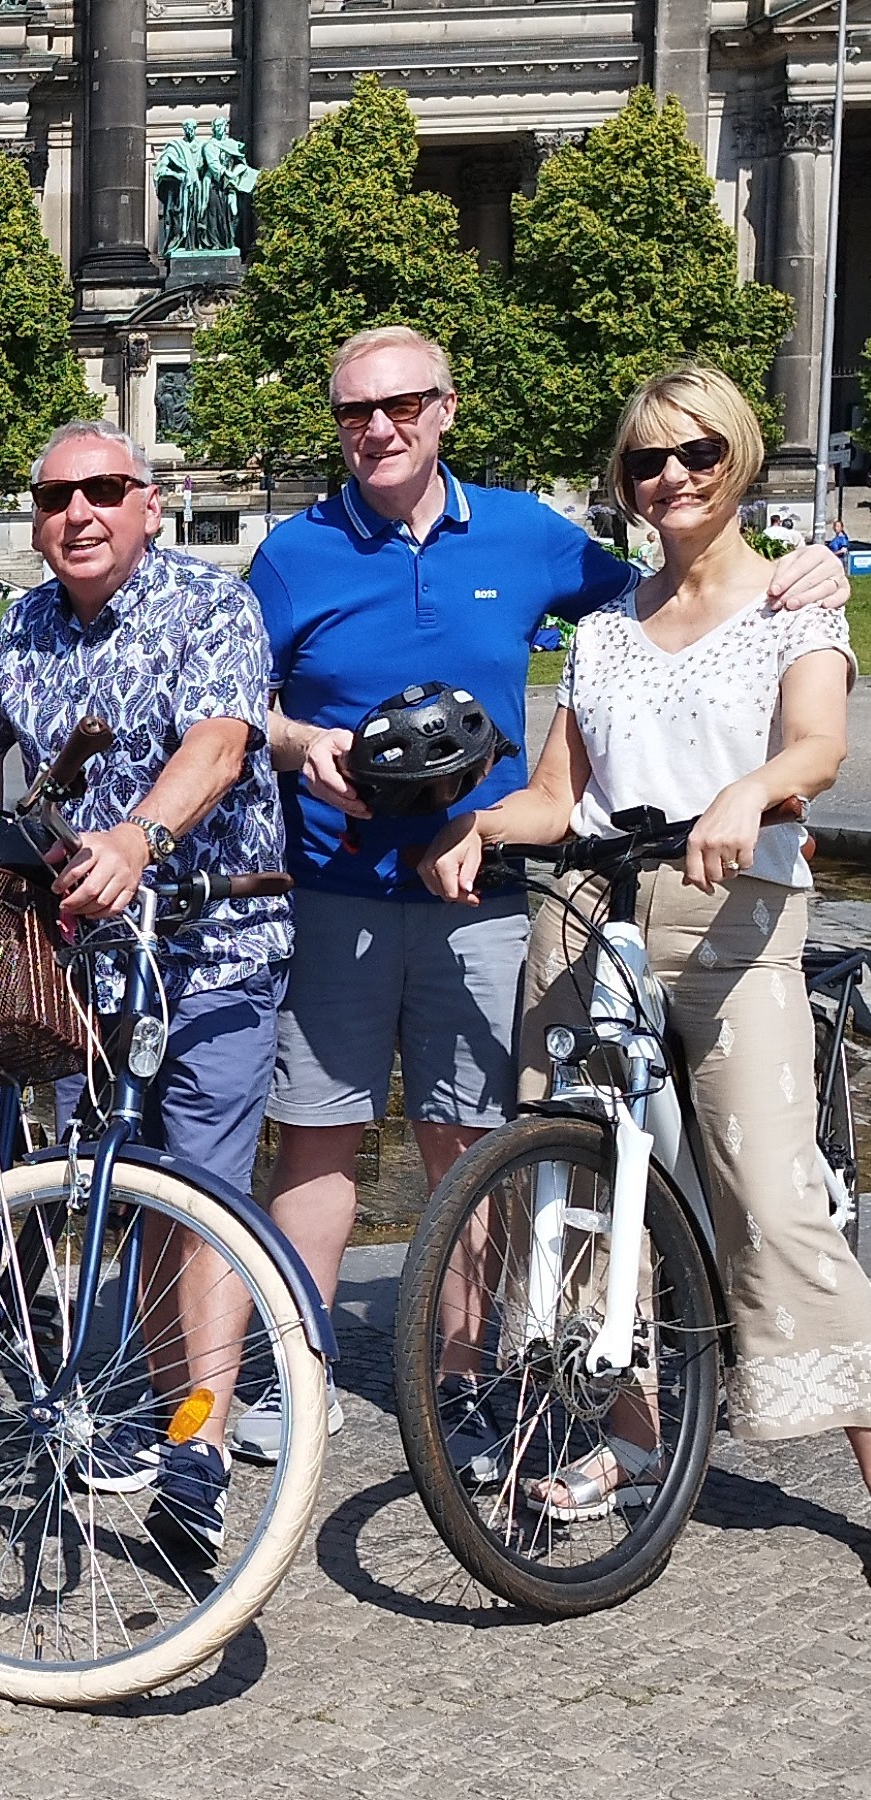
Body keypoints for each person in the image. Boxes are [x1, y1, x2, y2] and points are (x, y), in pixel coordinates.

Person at [241, 324, 850, 1466]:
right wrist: (311, 747)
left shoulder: (537, 538)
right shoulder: (301, 553)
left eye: (402, 405)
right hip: (396, 888)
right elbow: (241, 699)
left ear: (444, 409)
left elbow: (740, 645)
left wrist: (811, 564)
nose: (379, 429)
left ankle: (472, 1377)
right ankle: (319, 1377)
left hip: (549, 904)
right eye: (355, 411)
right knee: (376, 1147)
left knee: (502, 1148)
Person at [420, 364, 871, 1507]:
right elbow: (557, 797)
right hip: (590, 912)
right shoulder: (606, 631)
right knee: (572, 1177)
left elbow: (818, 747)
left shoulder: (795, 604)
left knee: (770, 1194)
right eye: (647, 459)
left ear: (740, 458)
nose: (672, 475)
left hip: (731, 916)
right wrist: (477, 824)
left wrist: (748, 792)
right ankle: (630, 1440)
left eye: (697, 452)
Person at [0, 420, 291, 1553]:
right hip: (83, 966)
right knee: (114, 1183)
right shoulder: (21, 626)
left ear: (149, 503)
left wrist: (139, 839)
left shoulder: (210, 605)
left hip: (217, 941)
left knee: (202, 1190)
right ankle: (146, 1404)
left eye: (102, 490)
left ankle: (200, 1445)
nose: (77, 513)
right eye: (55, 497)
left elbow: (221, 746)